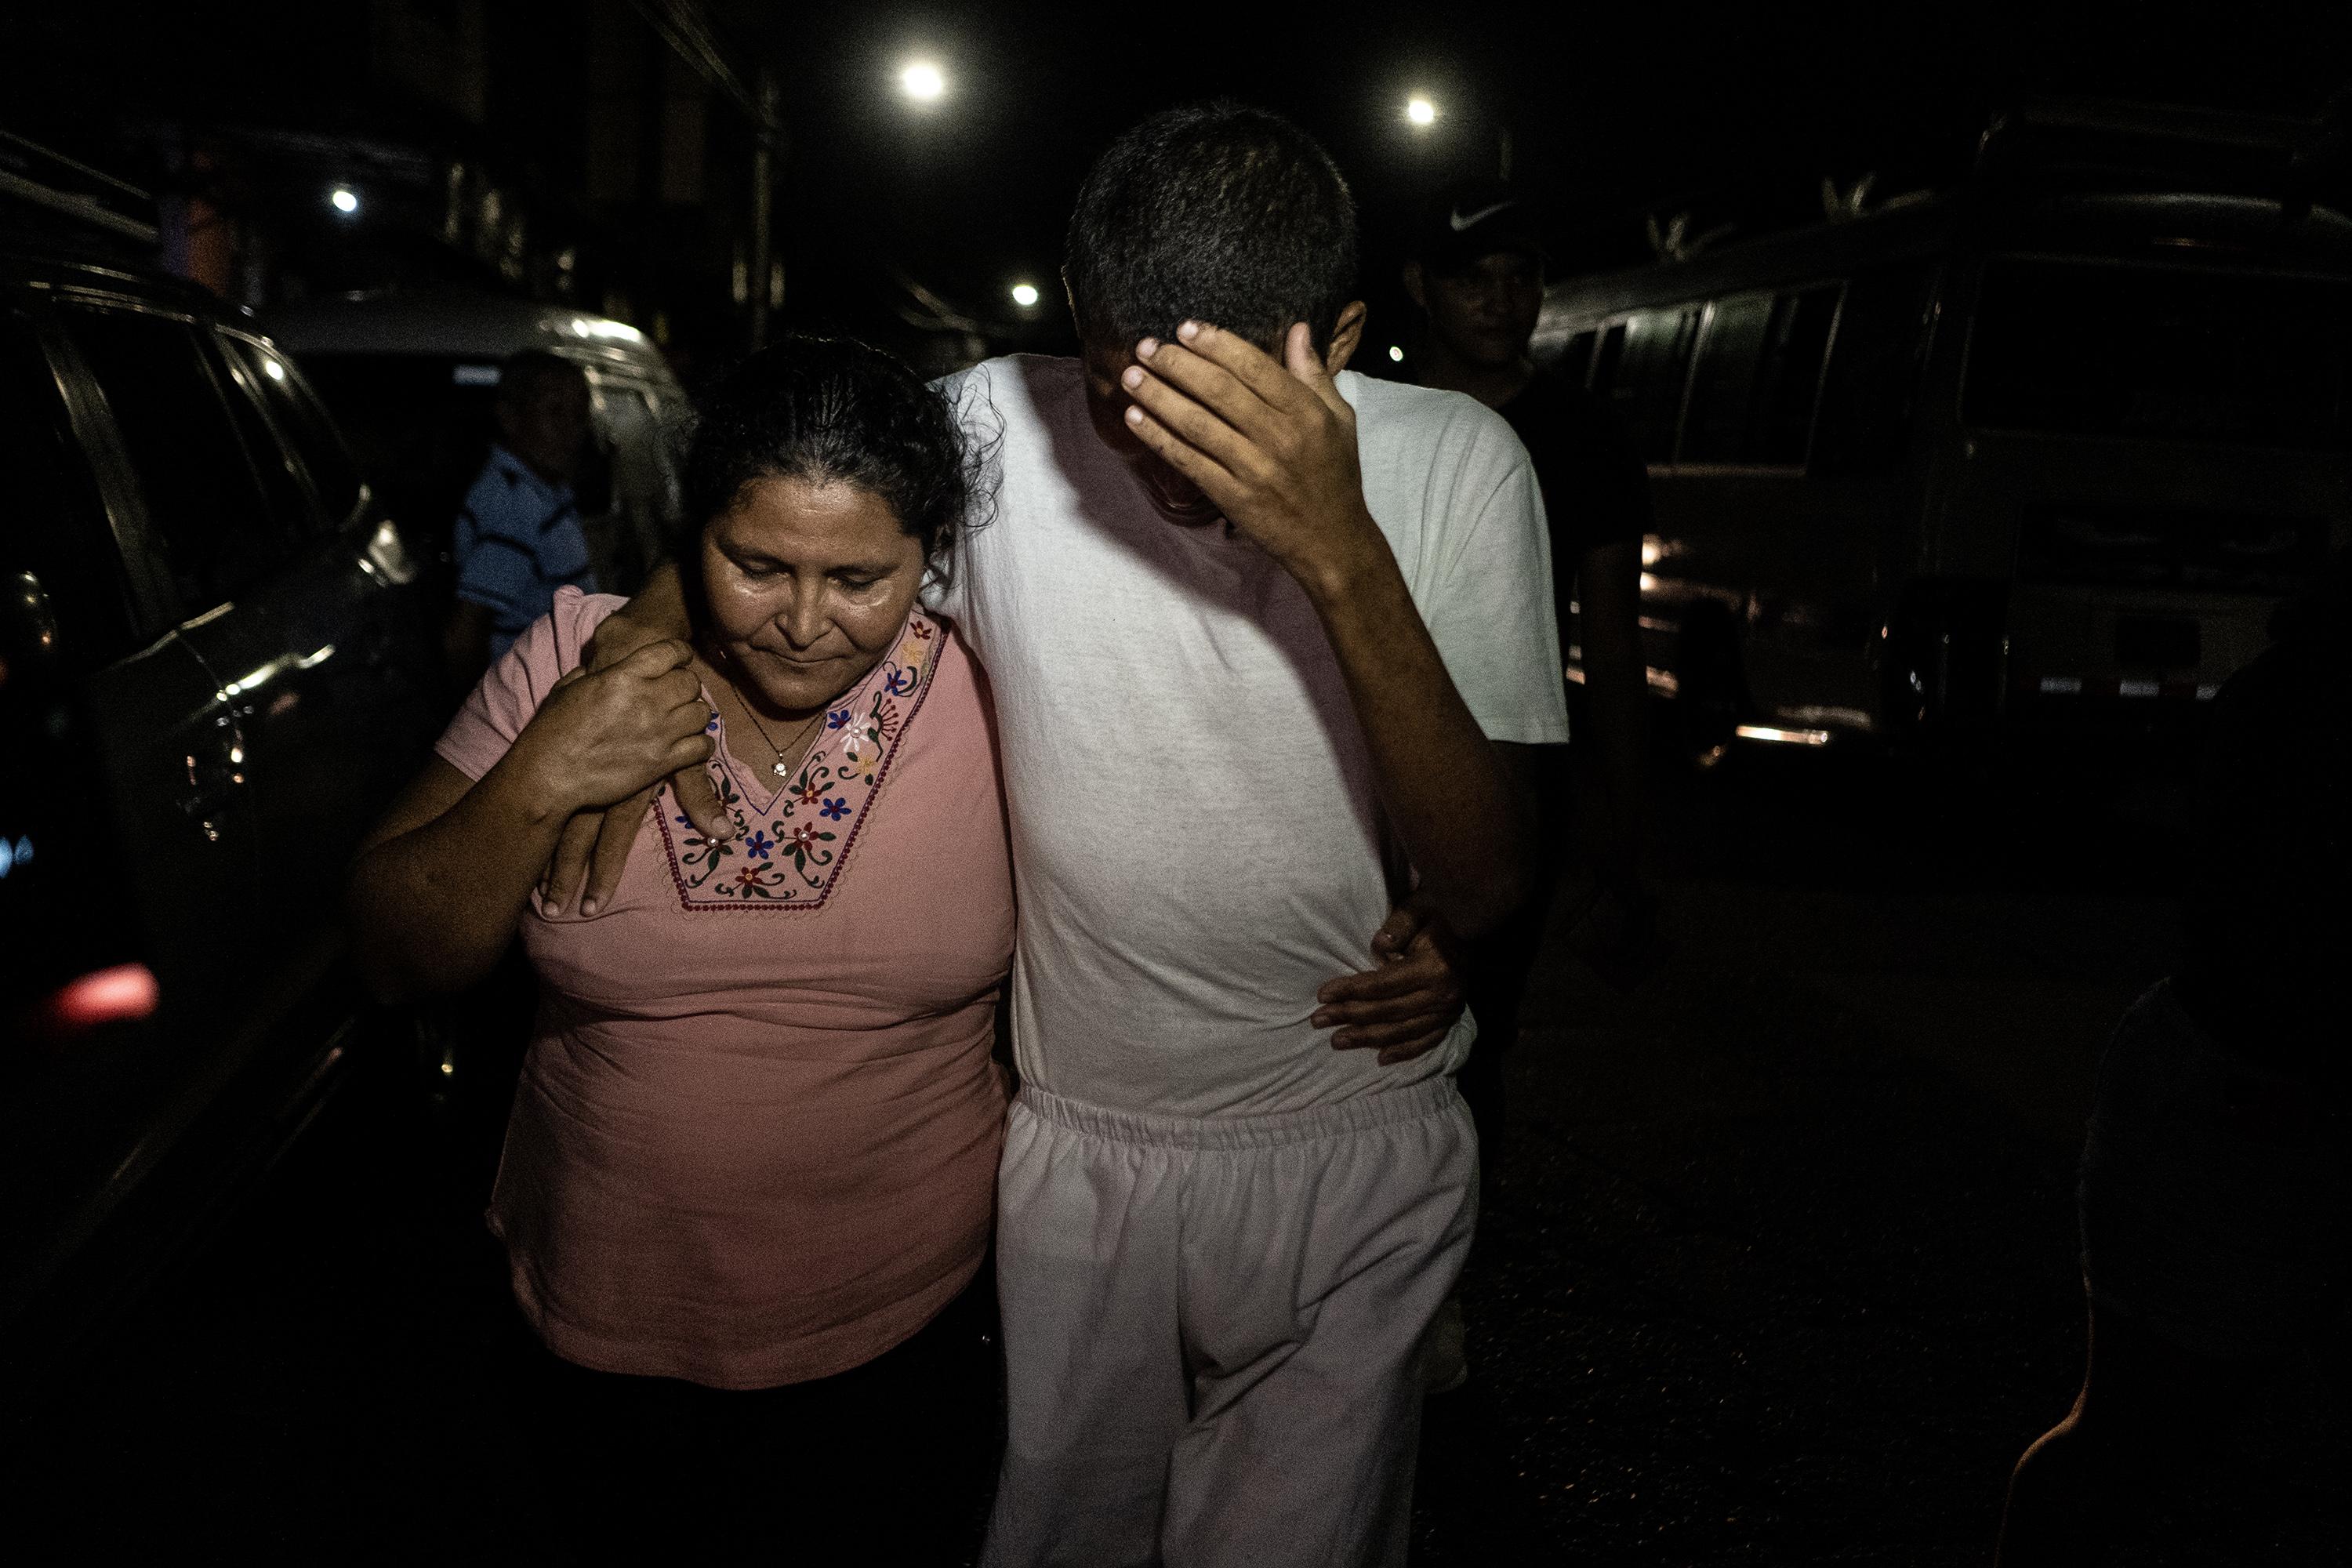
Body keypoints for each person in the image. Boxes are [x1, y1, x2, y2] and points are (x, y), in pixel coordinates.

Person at [568, 103, 1565, 1566]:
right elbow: (777, 521)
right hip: (1083, 1142)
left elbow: (1488, 879)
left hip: (1357, 1132)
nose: (1158, 450)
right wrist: (619, 683)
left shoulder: (1461, 463)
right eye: (1116, 391)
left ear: (1339, 338)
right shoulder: (991, 425)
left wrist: (1337, 547)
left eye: (1211, 407)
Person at [350, 334, 1464, 1559]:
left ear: (934, 558)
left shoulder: (997, 698)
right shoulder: (578, 661)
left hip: (904, 1343)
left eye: (861, 579)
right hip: (595, 1344)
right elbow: (398, 955)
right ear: (691, 534)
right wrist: (543, 773)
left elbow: (1199, 845)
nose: (805, 625)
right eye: (753, 563)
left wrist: (1430, 924)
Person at [1995, 561, 2350, 1563]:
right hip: (2257, 1095)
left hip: (2236, 1081)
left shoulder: (2288, 682)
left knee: (2134, 1448)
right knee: (2135, 1446)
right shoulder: (2309, 699)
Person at [1401, 179, 1657, 1391]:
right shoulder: (1370, 417)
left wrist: (1623, 830)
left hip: (1511, 762)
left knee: (1471, 1036)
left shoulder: (1589, 434)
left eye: (1521, 277)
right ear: (1421, 291)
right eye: (1472, 277)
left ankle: (1435, 1289)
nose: (1503, 302)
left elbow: (1609, 639)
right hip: (1360, 758)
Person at [442, 350, 597, 686]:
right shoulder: (517, 502)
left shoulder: (541, 489)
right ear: (510, 417)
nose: (571, 428)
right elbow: (465, 634)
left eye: (579, 414)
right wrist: (487, 725)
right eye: (554, 411)